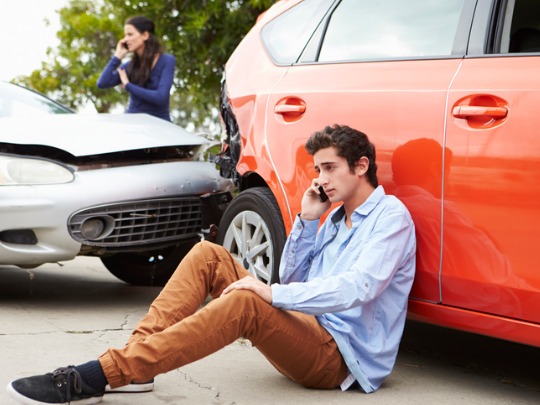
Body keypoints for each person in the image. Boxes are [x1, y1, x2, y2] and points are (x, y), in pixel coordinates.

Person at [7, 124, 416, 404]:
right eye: (318, 170)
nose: (321, 179)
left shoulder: (390, 219)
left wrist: (268, 293)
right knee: (209, 254)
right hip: (305, 330)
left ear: (361, 166)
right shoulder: (334, 217)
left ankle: (100, 374)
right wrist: (308, 221)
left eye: (330, 168)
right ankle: (136, 366)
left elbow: (357, 289)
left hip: (337, 358)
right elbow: (293, 279)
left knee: (248, 302)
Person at [97, 16, 176, 121]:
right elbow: (102, 83)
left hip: (159, 125)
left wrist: (128, 86)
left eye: (130, 34)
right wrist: (117, 57)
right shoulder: (129, 66)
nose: (125, 40)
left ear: (145, 35)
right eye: (125, 35)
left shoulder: (167, 60)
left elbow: (161, 98)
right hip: (133, 124)